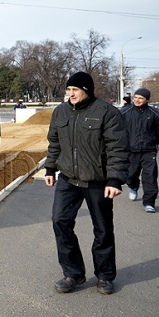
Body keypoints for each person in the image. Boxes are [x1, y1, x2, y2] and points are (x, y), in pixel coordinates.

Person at [45, 71, 129, 295]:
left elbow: (117, 147)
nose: (70, 94)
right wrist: (50, 168)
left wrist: (114, 180)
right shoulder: (60, 111)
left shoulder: (107, 113)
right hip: (68, 179)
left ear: (87, 90)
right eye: (68, 90)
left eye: (75, 90)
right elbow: (54, 142)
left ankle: (104, 276)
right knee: (60, 222)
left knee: (102, 230)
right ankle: (73, 273)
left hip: (98, 181)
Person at [120, 88, 159, 213]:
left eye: (141, 98)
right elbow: (117, 130)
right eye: (136, 97)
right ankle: (133, 186)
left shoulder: (155, 114)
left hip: (149, 151)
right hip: (131, 151)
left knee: (150, 178)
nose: (137, 100)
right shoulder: (125, 112)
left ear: (147, 100)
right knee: (131, 175)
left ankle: (149, 202)